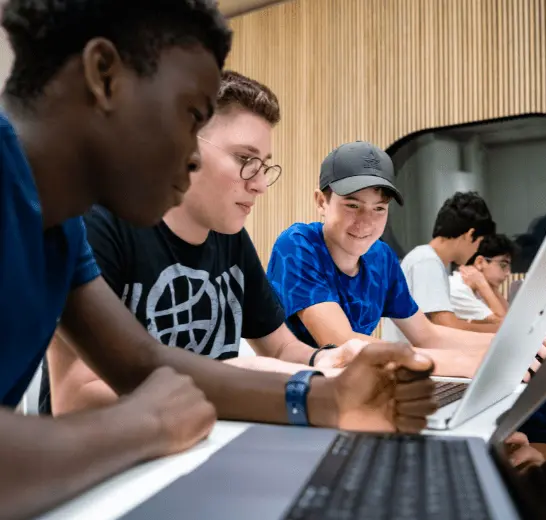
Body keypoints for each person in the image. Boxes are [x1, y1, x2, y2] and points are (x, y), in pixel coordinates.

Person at [0, 2, 436, 518]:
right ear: (104, 76)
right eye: (189, 116)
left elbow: (143, 363)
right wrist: (144, 425)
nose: (191, 156)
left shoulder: (61, 223)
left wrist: (329, 398)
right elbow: (129, 395)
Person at [43, 70, 367, 416]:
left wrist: (325, 359)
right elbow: (76, 396)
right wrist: (229, 378)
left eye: (264, 166)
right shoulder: (99, 224)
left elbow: (280, 347)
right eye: (245, 160)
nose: (260, 184)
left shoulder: (230, 237)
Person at [267, 141, 505, 379]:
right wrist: (462, 362)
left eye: (379, 209)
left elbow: (427, 334)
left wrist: (505, 346)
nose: (366, 222)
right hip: (295, 388)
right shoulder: (298, 244)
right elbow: (341, 344)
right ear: (321, 202)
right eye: (352, 205)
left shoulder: (381, 257)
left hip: (357, 384)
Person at [382, 191, 500, 342]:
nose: (477, 250)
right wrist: (497, 330)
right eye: (479, 242)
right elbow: (446, 325)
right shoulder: (426, 261)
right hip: (409, 359)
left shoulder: (429, 259)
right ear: (470, 234)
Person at [450, 233, 517, 325]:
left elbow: (513, 320)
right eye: (503, 265)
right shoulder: (457, 289)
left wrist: (490, 288)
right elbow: (504, 326)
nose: (508, 273)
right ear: (480, 262)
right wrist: (482, 284)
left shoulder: (480, 288)